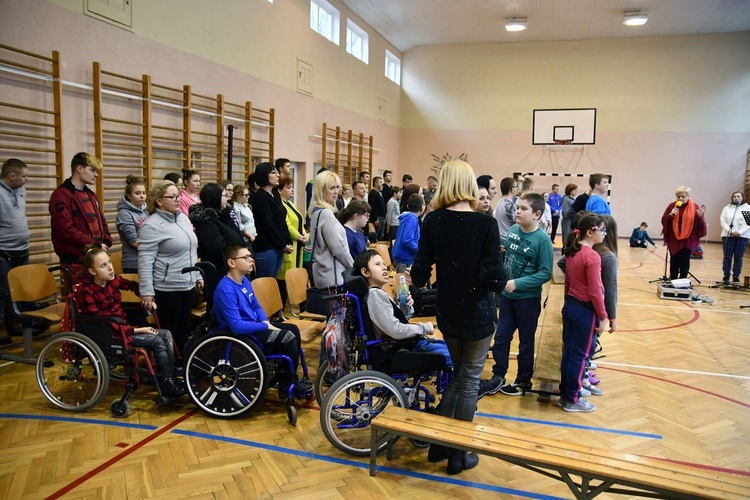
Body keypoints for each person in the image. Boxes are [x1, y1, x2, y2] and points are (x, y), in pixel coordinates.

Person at [410, 160, 506, 475]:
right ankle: (458, 453)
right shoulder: (485, 224)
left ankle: (439, 443)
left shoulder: (433, 220)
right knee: (468, 381)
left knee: (460, 375)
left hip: (448, 311)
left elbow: (420, 272)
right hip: (477, 312)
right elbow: (496, 279)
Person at [79, 246, 185, 398]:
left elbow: (133, 285)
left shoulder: (114, 281)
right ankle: (168, 383)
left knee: (166, 333)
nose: (110, 267)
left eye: (109, 262)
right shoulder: (86, 292)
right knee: (156, 340)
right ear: (92, 271)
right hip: (111, 334)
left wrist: (145, 297)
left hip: (123, 328)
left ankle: (169, 376)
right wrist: (139, 330)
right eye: (103, 265)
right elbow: (102, 324)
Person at [213, 243, 312, 398]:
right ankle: (287, 385)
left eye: (250, 256)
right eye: (245, 257)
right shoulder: (226, 289)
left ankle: (287, 377)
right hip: (241, 335)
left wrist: (266, 322)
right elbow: (237, 326)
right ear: (231, 263)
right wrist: (264, 326)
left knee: (293, 329)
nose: (251, 260)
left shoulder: (245, 281)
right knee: (287, 337)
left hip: (254, 327)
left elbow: (256, 305)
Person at [479, 192, 553, 398]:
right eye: (517, 207)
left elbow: (546, 273)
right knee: (501, 339)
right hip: (507, 299)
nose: (517, 211)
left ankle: (522, 381)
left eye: (523, 209)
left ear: (537, 214)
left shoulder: (542, 240)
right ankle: (498, 376)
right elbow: (510, 258)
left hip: (527, 301)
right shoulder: (512, 230)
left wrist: (518, 283)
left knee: (525, 343)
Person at [138, 180, 203, 354]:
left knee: (183, 327)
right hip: (167, 288)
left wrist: (197, 276)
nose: (178, 200)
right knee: (168, 330)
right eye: (172, 196)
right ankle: (166, 368)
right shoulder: (151, 225)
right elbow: (145, 262)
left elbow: (191, 249)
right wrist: (147, 292)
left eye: (178, 196)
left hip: (187, 284)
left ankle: (179, 362)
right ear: (159, 201)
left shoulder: (182, 217)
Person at [355, 249, 451, 365]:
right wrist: (423, 328)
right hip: (402, 347)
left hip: (404, 343)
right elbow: (395, 330)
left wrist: (404, 308)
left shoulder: (377, 294)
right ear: (365, 272)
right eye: (377, 264)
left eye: (384, 264)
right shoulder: (375, 295)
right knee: (459, 358)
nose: (384, 267)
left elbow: (394, 321)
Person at [558, 212, 608, 412]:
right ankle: (573, 399)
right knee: (579, 357)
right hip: (584, 311)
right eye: (602, 230)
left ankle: (566, 394)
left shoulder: (572, 251)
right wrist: (603, 316)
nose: (605, 234)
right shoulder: (592, 256)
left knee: (570, 354)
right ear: (590, 231)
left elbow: (568, 282)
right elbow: (595, 291)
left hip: (571, 306)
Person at [49, 152, 112, 287]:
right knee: (80, 298)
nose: (96, 174)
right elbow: (66, 229)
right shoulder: (61, 195)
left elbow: (101, 220)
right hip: (75, 258)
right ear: (79, 169)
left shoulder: (91, 195)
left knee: (97, 296)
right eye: (92, 170)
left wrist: (106, 240)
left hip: (94, 255)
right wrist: (94, 244)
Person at [189, 182, 247, 312]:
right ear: (215, 198)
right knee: (223, 310)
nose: (227, 198)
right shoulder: (206, 221)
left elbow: (237, 236)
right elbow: (219, 248)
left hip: (233, 268)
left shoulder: (224, 214)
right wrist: (240, 255)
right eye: (224, 196)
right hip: (218, 272)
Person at [0, 159, 30, 343]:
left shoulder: (21, 190)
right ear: (12, 176)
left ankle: (14, 320)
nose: (27, 180)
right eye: (24, 176)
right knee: (2, 290)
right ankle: (1, 324)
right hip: (3, 249)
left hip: (22, 248)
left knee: (16, 289)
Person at [308, 170, 353, 287]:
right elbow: (339, 249)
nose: (336, 192)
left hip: (323, 273)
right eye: (332, 188)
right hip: (333, 277)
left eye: (337, 187)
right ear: (321, 190)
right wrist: (354, 267)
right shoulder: (326, 214)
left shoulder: (316, 212)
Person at [248, 162, 293, 278]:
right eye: (273, 172)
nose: (278, 175)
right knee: (265, 286)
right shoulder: (260, 197)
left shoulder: (275, 194)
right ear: (264, 176)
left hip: (277, 247)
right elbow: (268, 225)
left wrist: (288, 241)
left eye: (277, 172)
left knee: (272, 283)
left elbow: (282, 221)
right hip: (266, 248)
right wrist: (282, 244)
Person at [660, 186, 707, 280]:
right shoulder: (672, 206)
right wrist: (670, 215)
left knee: (685, 260)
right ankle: (672, 279)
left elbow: (700, 225)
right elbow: (664, 220)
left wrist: (699, 216)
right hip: (674, 239)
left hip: (688, 238)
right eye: (678, 196)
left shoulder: (695, 206)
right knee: (674, 260)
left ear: (688, 196)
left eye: (683, 196)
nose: (680, 198)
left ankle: (682, 281)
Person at [277, 178, 308, 305]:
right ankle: (278, 312)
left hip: (298, 246)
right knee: (284, 281)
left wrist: (305, 234)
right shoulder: (280, 206)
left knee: (297, 277)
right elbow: (287, 225)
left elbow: (299, 221)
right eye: (288, 187)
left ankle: (302, 306)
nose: (292, 190)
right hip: (290, 247)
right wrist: (300, 237)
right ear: (279, 190)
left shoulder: (290, 204)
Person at [115, 175, 149, 274]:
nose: (142, 196)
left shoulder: (146, 211)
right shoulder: (124, 214)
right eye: (137, 193)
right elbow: (134, 242)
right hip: (133, 263)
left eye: (144, 193)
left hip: (147, 259)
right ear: (129, 196)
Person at [719, 191, 750, 286]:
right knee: (727, 257)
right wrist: (730, 231)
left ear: (742, 198)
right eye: (734, 196)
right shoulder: (727, 208)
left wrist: (739, 232)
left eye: (738, 196)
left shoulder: (748, 208)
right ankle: (726, 275)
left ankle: (736, 276)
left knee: (738, 257)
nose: (736, 198)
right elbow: (722, 221)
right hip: (728, 236)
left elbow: (749, 223)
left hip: (742, 236)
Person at [393, 194, 425, 273]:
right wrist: (419, 249)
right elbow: (407, 240)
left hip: (403, 257)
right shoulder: (412, 219)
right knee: (404, 284)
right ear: (422, 207)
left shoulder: (409, 218)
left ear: (408, 206)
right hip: (405, 258)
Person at [494, 177, 516, 256]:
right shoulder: (509, 204)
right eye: (516, 187)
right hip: (507, 238)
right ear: (512, 190)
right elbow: (517, 223)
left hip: (501, 236)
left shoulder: (500, 201)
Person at [368, 176, 387, 241]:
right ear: (375, 183)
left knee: (381, 236)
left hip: (382, 217)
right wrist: (376, 218)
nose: (382, 183)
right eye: (380, 182)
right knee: (376, 235)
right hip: (378, 217)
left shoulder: (379, 193)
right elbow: (372, 207)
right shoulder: (373, 193)